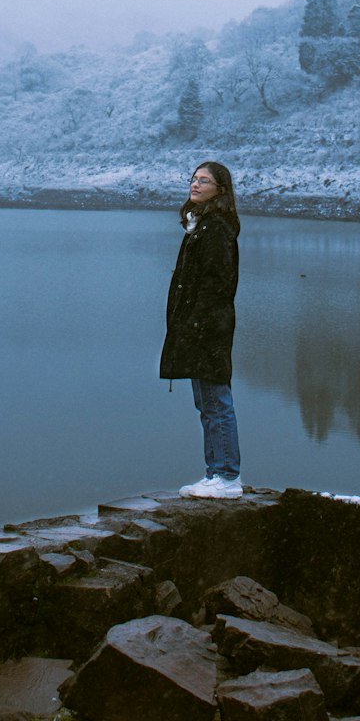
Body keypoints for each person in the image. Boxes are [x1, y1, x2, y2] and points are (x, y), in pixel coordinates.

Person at [160, 160, 243, 498]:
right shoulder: (203, 226)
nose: (195, 184)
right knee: (207, 403)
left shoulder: (215, 229)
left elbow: (217, 285)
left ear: (220, 190)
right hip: (202, 328)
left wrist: (197, 324)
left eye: (204, 180)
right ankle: (216, 474)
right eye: (193, 179)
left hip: (208, 330)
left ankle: (226, 476)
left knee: (215, 402)